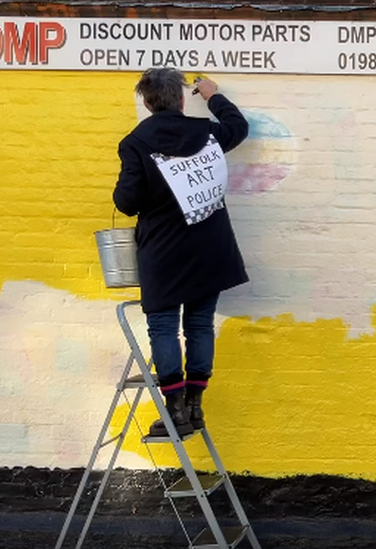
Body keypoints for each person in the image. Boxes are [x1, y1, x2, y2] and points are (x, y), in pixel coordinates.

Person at [113, 68, 250, 437]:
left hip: (164, 251)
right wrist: (212, 95)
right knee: (200, 325)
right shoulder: (206, 132)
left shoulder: (135, 142)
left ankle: (174, 412)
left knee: (163, 327)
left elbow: (127, 202)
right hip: (209, 247)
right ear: (178, 98)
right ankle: (195, 406)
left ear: (147, 101)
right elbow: (238, 127)